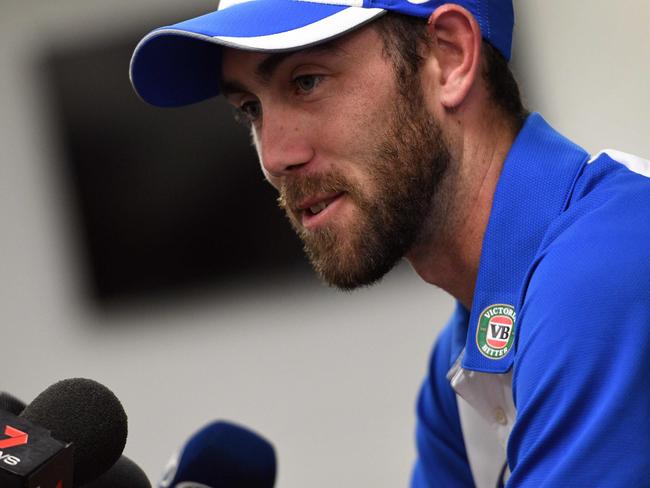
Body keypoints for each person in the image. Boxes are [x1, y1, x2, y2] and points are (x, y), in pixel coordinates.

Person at [130, 0, 650, 486]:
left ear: (449, 56)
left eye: (306, 81)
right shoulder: (467, 354)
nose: (274, 157)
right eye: (250, 109)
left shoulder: (607, 265)